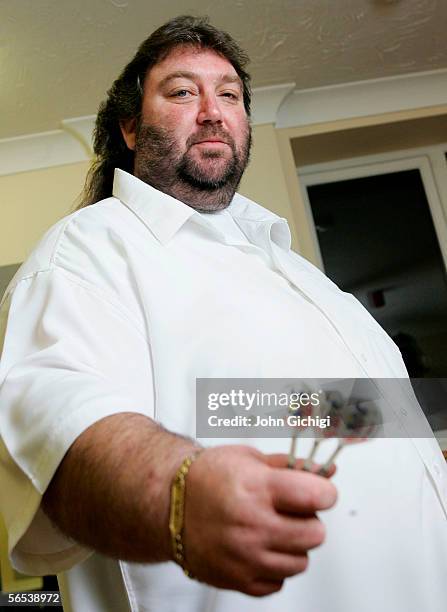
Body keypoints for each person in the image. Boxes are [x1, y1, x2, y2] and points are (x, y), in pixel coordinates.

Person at [0, 14, 446, 612]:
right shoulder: (86, 250)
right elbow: (65, 433)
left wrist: (422, 463)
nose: (213, 110)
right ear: (130, 128)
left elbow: (301, 406)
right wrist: (182, 493)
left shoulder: (290, 266)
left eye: (229, 94)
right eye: (183, 91)